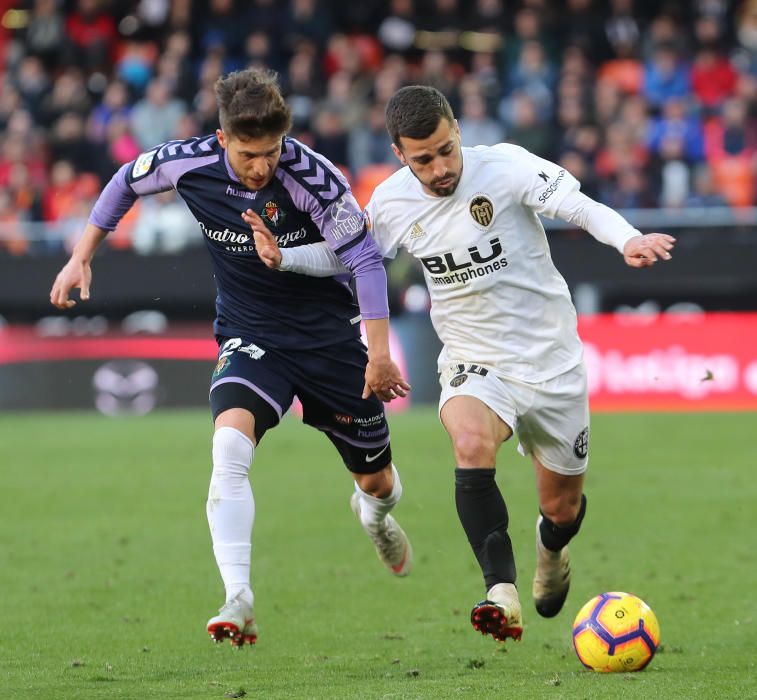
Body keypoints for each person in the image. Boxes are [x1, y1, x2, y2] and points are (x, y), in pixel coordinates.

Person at [250, 85, 676, 644]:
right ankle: (500, 590)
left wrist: (627, 239)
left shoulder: (504, 167)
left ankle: (552, 550)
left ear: (457, 132)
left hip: (552, 363)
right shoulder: (393, 202)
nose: (441, 166)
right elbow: (347, 253)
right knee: (470, 443)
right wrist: (287, 257)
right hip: (474, 361)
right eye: (424, 158)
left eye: (447, 149)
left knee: (562, 506)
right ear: (401, 155)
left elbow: (580, 205)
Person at [49, 68, 413, 648]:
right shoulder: (187, 161)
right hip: (251, 333)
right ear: (223, 141)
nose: (262, 166)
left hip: (329, 340)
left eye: (271, 152)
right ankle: (238, 597)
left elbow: (365, 261)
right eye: (249, 154)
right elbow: (124, 180)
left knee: (377, 482)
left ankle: (373, 516)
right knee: (228, 450)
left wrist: (378, 352)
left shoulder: (314, 178)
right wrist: (80, 257)